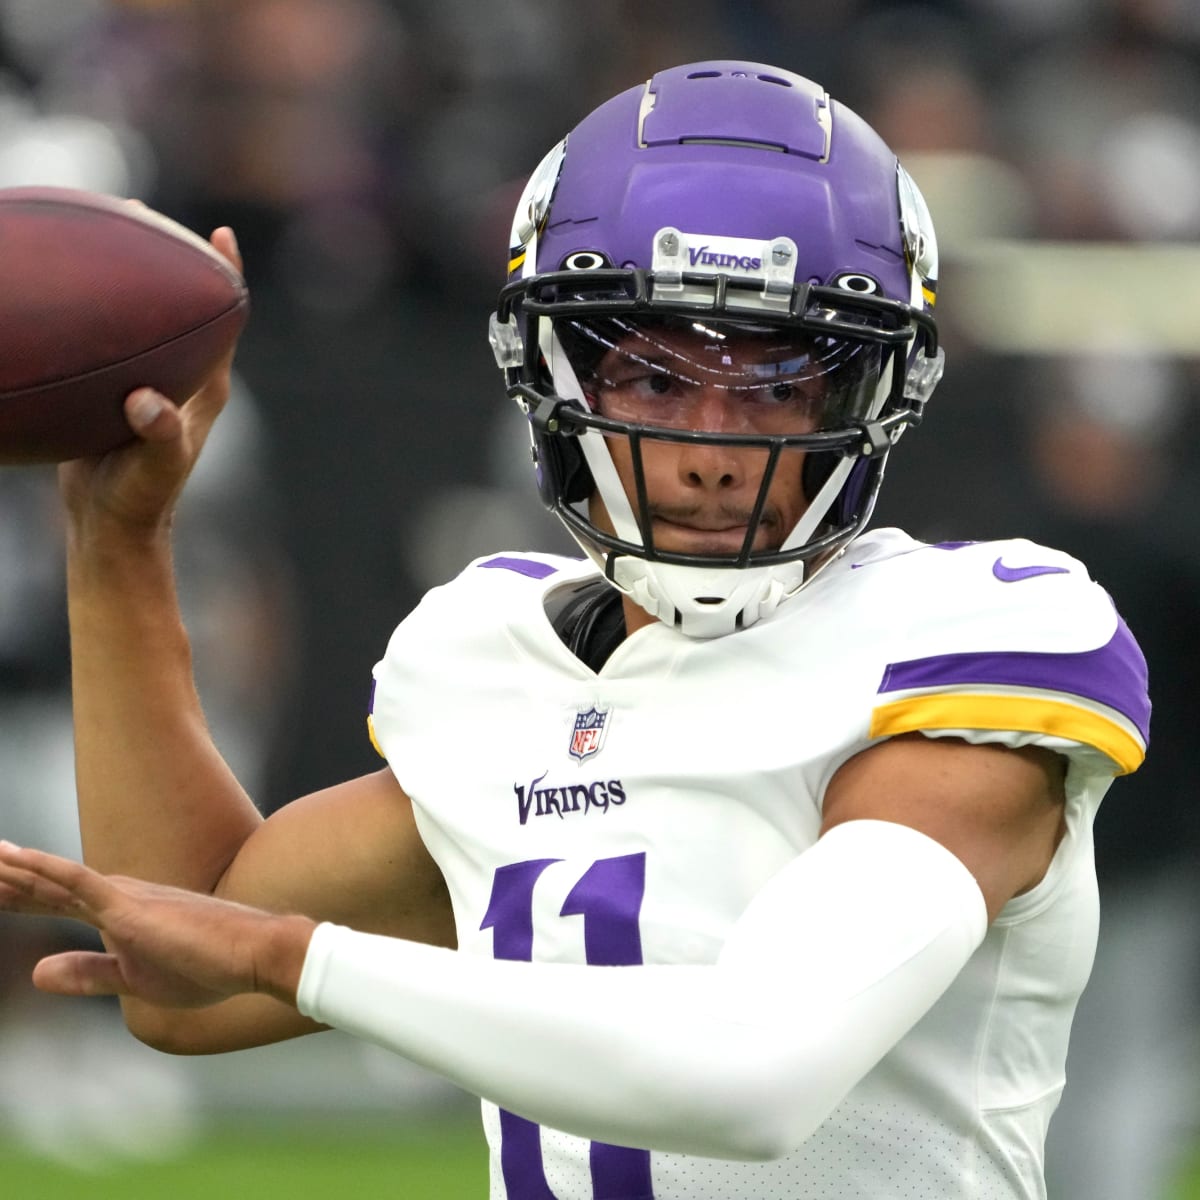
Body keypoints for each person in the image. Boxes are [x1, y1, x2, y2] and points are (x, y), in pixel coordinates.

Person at [0, 60, 1149, 1200]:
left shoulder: (970, 637)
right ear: (549, 371)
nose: (711, 445)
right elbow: (176, 972)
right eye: (654, 376)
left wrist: (287, 960)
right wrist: (116, 545)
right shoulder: (493, 659)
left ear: (870, 395)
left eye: (776, 381)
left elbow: (752, 1074)